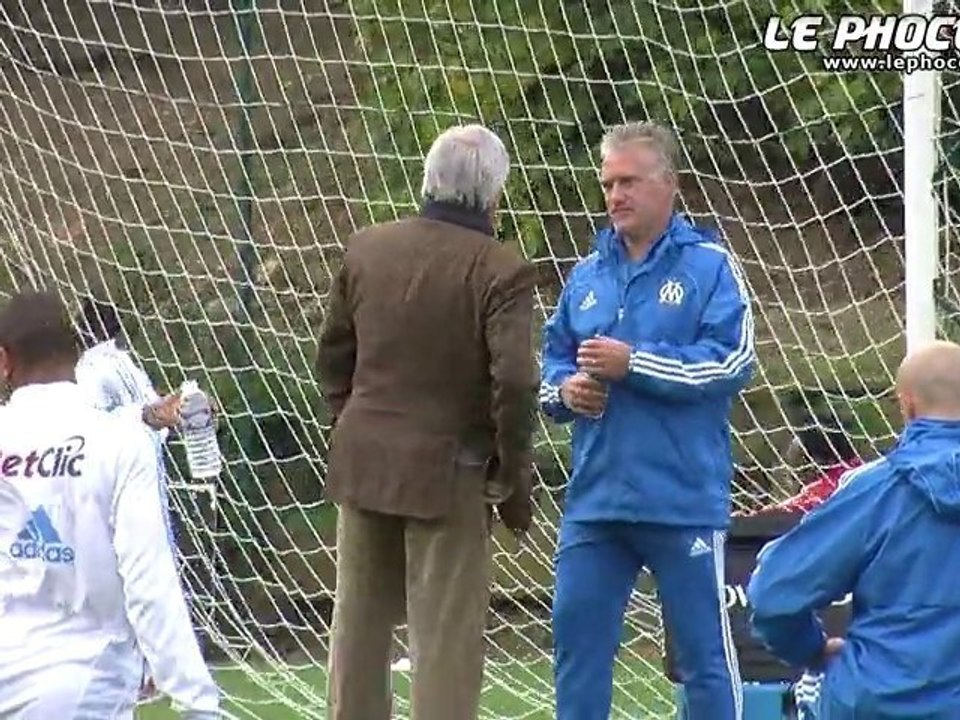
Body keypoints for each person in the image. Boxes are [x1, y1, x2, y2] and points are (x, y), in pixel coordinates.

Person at [316, 124, 538, 720]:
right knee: (443, 642)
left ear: (427, 180)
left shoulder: (367, 247)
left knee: (357, 629)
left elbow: (333, 357)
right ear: (495, 195)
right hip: (450, 473)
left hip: (364, 465)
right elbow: (515, 381)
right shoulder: (501, 269)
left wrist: (354, 421)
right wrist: (513, 476)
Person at [539, 120, 755, 720]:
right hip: (595, 501)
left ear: (670, 185)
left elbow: (732, 362)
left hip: (680, 498)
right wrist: (565, 392)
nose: (615, 196)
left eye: (629, 181)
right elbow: (550, 360)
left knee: (704, 658)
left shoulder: (710, 267)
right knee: (577, 653)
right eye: (608, 183)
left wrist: (635, 364)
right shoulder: (586, 276)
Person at [0, 291, 219, 719]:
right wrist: (199, 706)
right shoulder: (119, 441)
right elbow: (149, 585)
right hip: (83, 686)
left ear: (5, 361)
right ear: (77, 357)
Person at [747, 339, 960, 719]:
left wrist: (809, 650)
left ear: (906, 403)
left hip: (881, 702)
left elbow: (773, 593)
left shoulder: (877, 490)